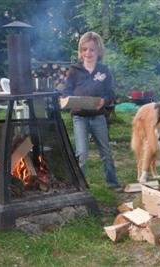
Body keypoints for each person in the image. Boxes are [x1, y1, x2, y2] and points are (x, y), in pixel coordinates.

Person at [62, 31, 121, 190]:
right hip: (79, 117)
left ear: (99, 51)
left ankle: (113, 183)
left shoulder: (104, 70)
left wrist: (104, 101)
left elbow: (110, 94)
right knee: (81, 153)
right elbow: (66, 92)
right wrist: (70, 102)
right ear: (80, 51)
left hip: (98, 117)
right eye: (84, 49)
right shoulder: (74, 70)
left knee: (106, 152)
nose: (88, 53)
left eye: (92, 49)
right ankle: (80, 186)